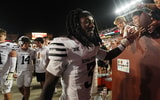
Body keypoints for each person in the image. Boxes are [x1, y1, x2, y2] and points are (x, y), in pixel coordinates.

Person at [40, 8, 143, 100]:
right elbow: (49, 85)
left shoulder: (91, 45)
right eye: (87, 22)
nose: (92, 25)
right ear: (77, 25)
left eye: (92, 22)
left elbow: (108, 56)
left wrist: (127, 41)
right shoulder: (64, 45)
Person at [15, 36, 35, 100]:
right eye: (25, 43)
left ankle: (26, 98)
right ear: (20, 43)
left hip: (28, 71)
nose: (26, 45)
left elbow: (35, 59)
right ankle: (25, 96)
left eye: (27, 43)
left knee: (27, 87)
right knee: (19, 87)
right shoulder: (17, 51)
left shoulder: (32, 51)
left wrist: (34, 68)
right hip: (19, 70)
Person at [0, 28, 17, 100]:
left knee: (6, 92)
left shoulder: (10, 45)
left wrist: (10, 76)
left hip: (5, 74)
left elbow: (13, 64)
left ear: (5, 36)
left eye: (0, 36)